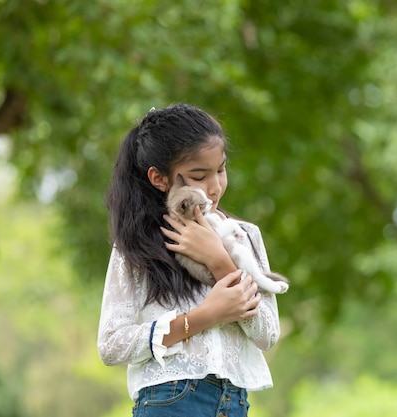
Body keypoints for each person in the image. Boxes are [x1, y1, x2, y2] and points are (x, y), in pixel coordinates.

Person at [97, 103, 282, 417]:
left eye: (221, 170)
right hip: (170, 400)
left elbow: (268, 335)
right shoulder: (140, 243)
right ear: (159, 178)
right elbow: (111, 345)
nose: (215, 186)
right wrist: (204, 316)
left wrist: (219, 260)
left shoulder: (244, 236)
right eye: (200, 175)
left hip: (233, 403)